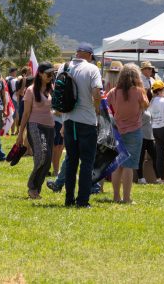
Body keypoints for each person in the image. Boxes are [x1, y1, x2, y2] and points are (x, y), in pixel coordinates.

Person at [62, 43, 103, 208]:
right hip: (86, 121)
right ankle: (83, 200)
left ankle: (69, 199)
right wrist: (97, 109)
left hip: (68, 118)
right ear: (89, 55)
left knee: (71, 160)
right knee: (87, 162)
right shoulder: (92, 69)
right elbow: (96, 93)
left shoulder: (64, 67)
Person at [106, 63, 148, 203]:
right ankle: (127, 198)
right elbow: (145, 105)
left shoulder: (113, 91)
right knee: (129, 166)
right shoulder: (138, 91)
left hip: (117, 131)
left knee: (118, 166)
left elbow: (107, 105)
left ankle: (116, 196)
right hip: (134, 131)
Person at [17, 62, 56, 199]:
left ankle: (36, 189)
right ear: (40, 74)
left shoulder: (52, 88)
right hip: (35, 126)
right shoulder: (30, 90)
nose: (51, 76)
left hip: (50, 127)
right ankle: (32, 187)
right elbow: (26, 114)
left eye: (52, 74)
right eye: (48, 74)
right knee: (41, 157)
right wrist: (20, 134)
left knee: (47, 160)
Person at [136, 96, 157, 184]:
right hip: (141, 136)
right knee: (140, 158)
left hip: (150, 137)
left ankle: (159, 177)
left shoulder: (148, 109)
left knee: (155, 157)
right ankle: (140, 178)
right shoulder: (138, 109)